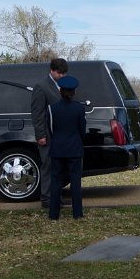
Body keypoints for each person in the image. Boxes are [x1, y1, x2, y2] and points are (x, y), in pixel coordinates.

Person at [30, 58, 68, 208]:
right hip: (47, 134)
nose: (62, 76)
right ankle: (47, 198)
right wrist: (40, 135)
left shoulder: (63, 85)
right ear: (52, 70)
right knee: (48, 166)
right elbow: (37, 113)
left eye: (64, 73)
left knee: (59, 166)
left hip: (61, 134)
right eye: (59, 73)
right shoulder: (41, 87)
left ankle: (57, 196)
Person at [47, 76, 86, 219]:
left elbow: (50, 129)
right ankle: (77, 213)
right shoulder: (79, 108)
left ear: (60, 91)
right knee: (75, 182)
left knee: (56, 182)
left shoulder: (52, 109)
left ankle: (53, 214)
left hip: (57, 148)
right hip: (74, 148)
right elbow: (82, 129)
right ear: (74, 92)